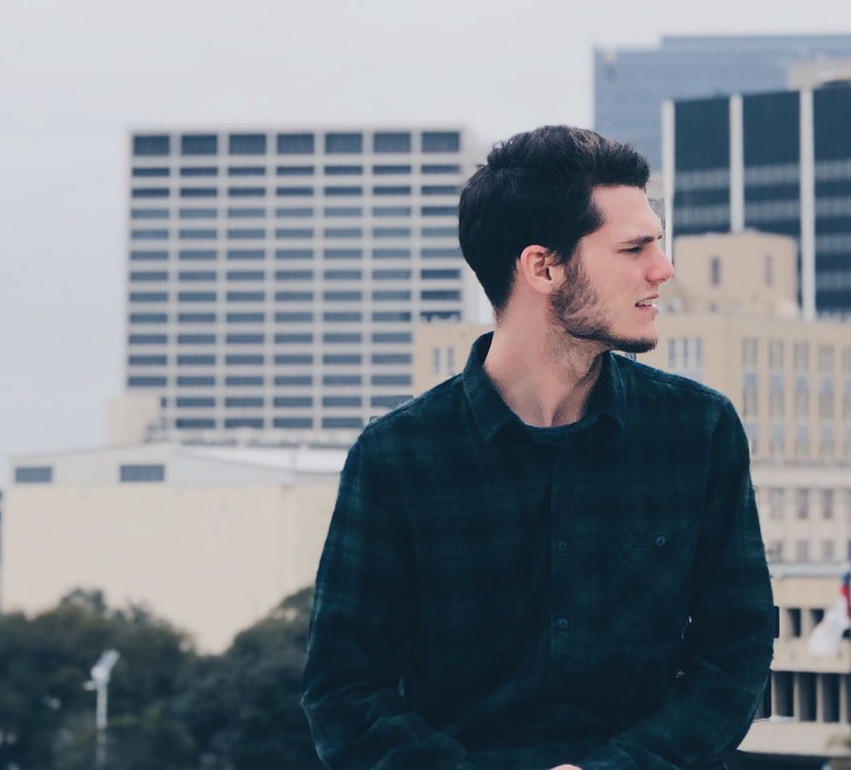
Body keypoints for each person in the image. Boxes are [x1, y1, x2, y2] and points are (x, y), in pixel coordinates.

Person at [303, 125, 776, 770]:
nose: (663, 270)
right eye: (635, 248)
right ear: (543, 267)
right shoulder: (396, 459)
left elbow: (735, 655)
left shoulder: (700, 431)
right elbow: (345, 692)